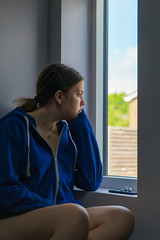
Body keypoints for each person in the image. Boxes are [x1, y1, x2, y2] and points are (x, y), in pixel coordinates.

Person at [0, 63, 134, 240]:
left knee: (121, 217)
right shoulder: (14, 127)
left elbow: (91, 181)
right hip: (17, 218)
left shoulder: (66, 132)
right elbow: (5, 189)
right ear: (59, 96)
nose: (83, 102)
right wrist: (53, 209)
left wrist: (80, 121)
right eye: (79, 95)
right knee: (74, 215)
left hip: (65, 215)